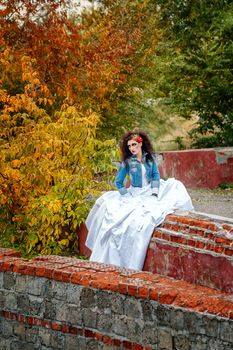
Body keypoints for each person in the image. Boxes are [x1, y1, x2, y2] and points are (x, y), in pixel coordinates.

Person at [85, 130, 193, 270]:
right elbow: (118, 182)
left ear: (141, 144)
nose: (132, 148)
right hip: (134, 193)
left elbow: (155, 176)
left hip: (150, 190)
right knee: (122, 218)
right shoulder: (127, 162)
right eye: (129, 146)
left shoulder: (150, 159)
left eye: (134, 145)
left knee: (175, 188)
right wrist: (126, 196)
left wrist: (154, 193)